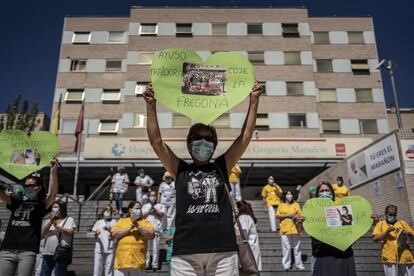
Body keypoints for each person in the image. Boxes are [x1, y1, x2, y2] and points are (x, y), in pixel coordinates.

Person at [144, 81, 261, 276]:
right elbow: (157, 143)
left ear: (214, 145)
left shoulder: (221, 167)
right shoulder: (180, 170)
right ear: (189, 145)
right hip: (185, 254)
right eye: (197, 138)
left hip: (223, 251)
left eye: (208, 138)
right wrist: (150, 105)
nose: (203, 142)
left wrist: (254, 100)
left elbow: (246, 136)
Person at [0, 161, 59, 276]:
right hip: (7, 249)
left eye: (31, 186)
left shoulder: (41, 205)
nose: (28, 188)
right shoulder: (16, 201)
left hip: (27, 251)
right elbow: (1, 194)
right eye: (26, 186)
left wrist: (53, 173)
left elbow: (53, 194)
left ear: (39, 188)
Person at [311, 181, 356, 276]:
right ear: (317, 195)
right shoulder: (311, 212)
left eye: (327, 191)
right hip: (322, 256)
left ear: (332, 193)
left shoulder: (342, 210)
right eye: (321, 191)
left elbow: (350, 234)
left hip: (342, 257)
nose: (324, 193)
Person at [111, 201, 155, 276]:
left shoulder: (145, 222)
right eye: (137, 208)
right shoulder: (122, 221)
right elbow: (114, 234)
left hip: (138, 262)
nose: (139, 210)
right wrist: (130, 227)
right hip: (122, 262)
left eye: (140, 209)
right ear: (130, 210)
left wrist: (138, 226)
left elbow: (151, 235)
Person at [372, 205, 414, 276]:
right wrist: (387, 232)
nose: (392, 217)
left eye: (394, 215)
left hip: (405, 256)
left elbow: (412, 239)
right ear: (386, 214)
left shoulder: (402, 223)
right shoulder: (381, 224)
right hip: (389, 257)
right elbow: (375, 239)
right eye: (390, 215)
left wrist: (409, 233)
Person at [40, 201, 76, 276]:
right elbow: (42, 234)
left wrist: (56, 226)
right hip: (48, 252)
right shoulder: (47, 220)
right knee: (44, 273)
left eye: (56, 207)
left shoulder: (69, 219)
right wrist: (51, 221)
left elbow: (70, 232)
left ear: (62, 208)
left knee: (60, 273)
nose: (54, 209)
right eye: (53, 207)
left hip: (61, 252)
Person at [276, 191, 305, 271]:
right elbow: (277, 215)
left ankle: (299, 264)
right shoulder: (281, 205)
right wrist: (288, 215)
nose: (290, 195)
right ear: (285, 196)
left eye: (291, 194)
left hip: (295, 228)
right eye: (288, 194)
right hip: (285, 229)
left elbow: (301, 214)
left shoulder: (296, 204)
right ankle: (286, 264)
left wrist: (299, 217)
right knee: (286, 248)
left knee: (297, 247)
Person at [235, 200, 262, 271]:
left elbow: (241, 233)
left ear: (240, 208)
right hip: (251, 253)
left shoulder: (243, 217)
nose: (235, 209)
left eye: (236, 207)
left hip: (248, 255)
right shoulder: (247, 217)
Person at [142, 191, 166, 271]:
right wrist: (149, 211)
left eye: (154, 195)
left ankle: (155, 265)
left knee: (156, 249)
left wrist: (155, 210)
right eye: (151, 195)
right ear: (149, 197)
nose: (153, 197)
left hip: (157, 230)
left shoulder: (160, 205)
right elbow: (142, 216)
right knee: (147, 248)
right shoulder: (145, 206)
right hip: (147, 230)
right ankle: (146, 264)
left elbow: (161, 215)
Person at [92, 204, 116, 276]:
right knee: (97, 268)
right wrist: (96, 234)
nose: (107, 211)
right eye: (106, 209)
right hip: (99, 248)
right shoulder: (98, 222)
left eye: (109, 210)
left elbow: (116, 233)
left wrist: (110, 231)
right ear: (103, 211)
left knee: (109, 268)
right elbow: (94, 235)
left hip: (110, 247)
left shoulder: (114, 222)